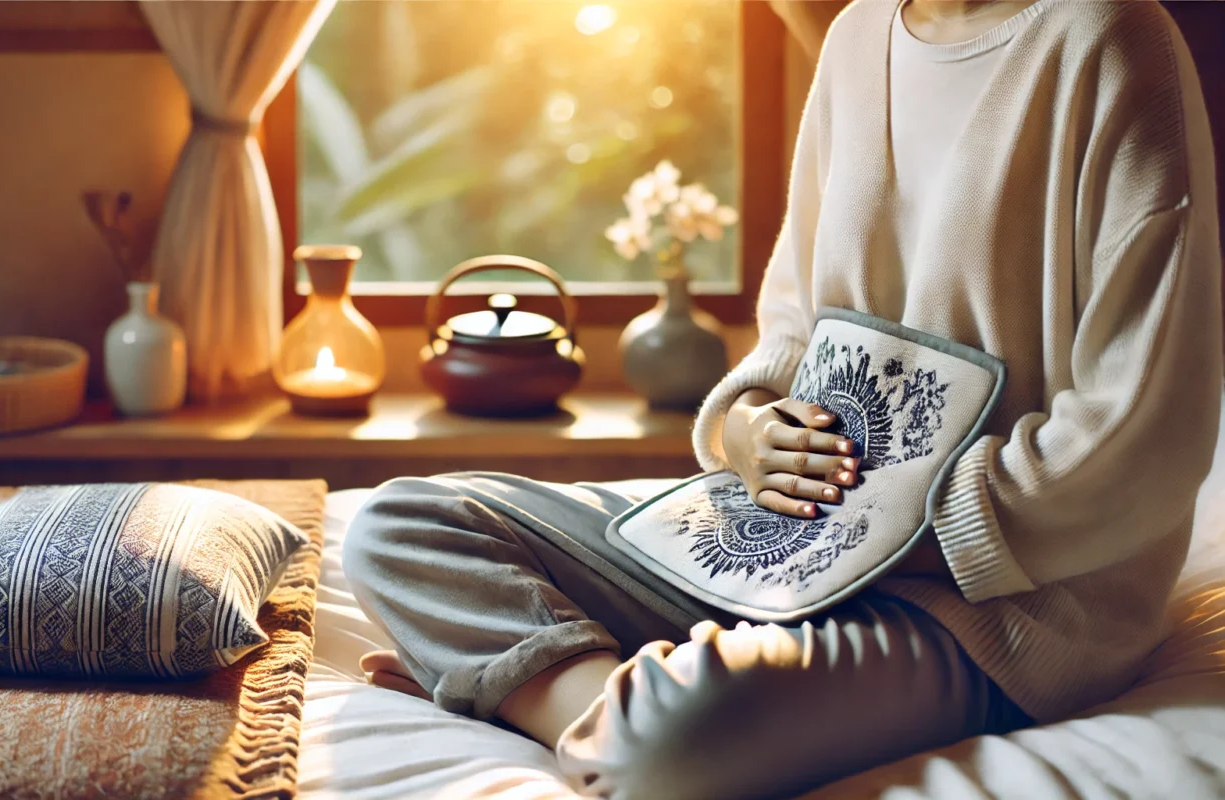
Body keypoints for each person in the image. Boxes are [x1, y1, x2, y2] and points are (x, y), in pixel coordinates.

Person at [343, 1, 1224, 797]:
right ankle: (585, 703)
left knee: (665, 748)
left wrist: (907, 529)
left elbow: (1147, 428)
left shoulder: (1107, 38)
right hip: (789, 535)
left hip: (997, 594)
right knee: (404, 526)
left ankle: (555, 703)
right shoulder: (854, 36)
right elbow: (797, 324)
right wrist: (744, 429)